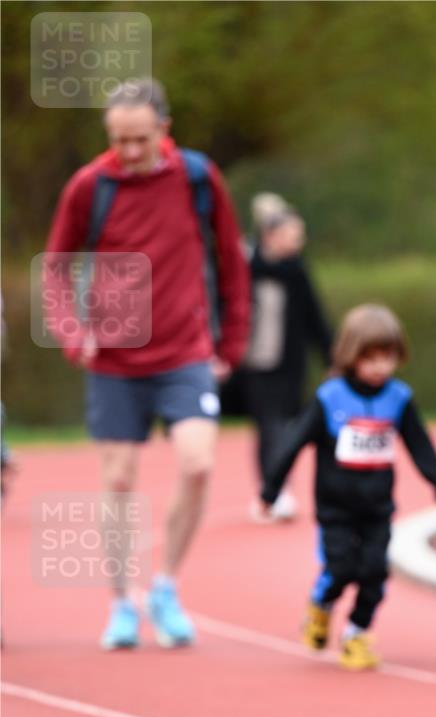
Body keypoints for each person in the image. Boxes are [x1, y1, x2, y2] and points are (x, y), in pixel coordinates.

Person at [44, 78, 250, 649]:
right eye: (118, 139)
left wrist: (229, 345)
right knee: (117, 480)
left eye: (138, 139)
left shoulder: (197, 177)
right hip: (112, 357)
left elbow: (231, 262)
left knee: (198, 462)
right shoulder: (90, 185)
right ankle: (120, 604)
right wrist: (70, 331)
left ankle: (164, 586)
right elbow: (56, 266)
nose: (128, 152)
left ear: (165, 128)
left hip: (185, 351)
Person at [260, 304, 436, 669]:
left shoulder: (398, 398)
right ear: (352, 356)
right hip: (335, 509)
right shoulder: (330, 397)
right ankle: (321, 605)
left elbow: (419, 444)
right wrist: (271, 489)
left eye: (389, 357)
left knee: (375, 573)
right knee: (341, 568)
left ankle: (355, 633)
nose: (381, 367)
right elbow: (293, 442)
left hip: (377, 508)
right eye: (372, 358)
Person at [244, 193, 332, 521]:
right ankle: (273, 489)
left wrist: (331, 357)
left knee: (287, 425)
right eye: (292, 235)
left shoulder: (296, 271)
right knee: (268, 427)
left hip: (289, 363)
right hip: (254, 363)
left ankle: (277, 487)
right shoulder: (246, 265)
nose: (298, 242)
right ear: (270, 236)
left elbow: (315, 316)